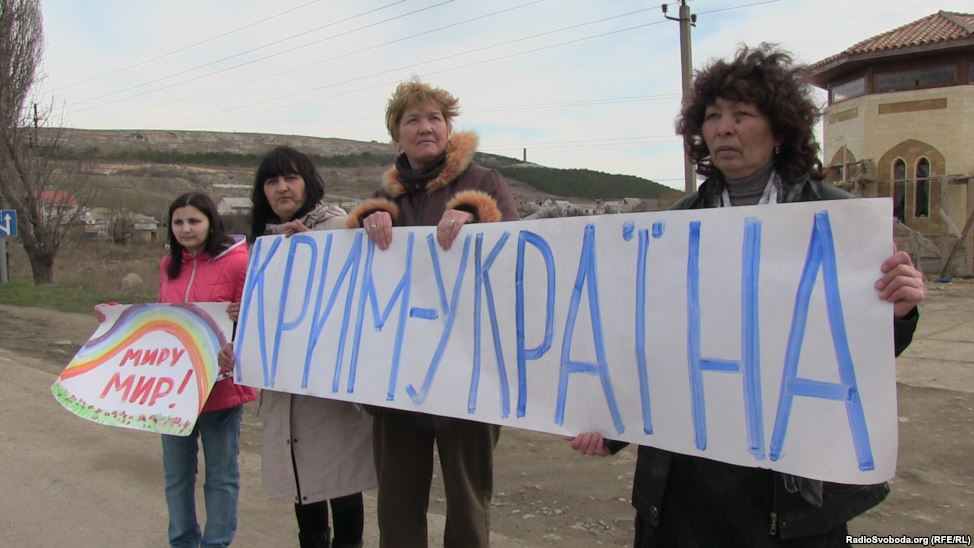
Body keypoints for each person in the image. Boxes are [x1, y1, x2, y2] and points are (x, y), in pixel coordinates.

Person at [570, 44, 926, 547]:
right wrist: (610, 423)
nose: (724, 128)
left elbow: (859, 351)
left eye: (742, 115)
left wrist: (900, 309)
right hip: (685, 478)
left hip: (790, 487)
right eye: (713, 116)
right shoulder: (671, 227)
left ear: (779, 130)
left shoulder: (839, 220)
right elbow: (647, 341)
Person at [346, 77, 519, 548]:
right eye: (413, 119)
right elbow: (360, 280)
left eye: (436, 118)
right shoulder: (391, 199)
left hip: (468, 370)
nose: (426, 127)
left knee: (467, 504)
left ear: (449, 127)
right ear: (396, 133)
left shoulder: (484, 182)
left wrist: (480, 218)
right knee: (398, 508)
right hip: (398, 378)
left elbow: (516, 257)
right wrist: (365, 223)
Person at [219, 146, 375, 548]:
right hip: (286, 384)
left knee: (339, 479)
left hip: (331, 387)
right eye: (271, 181)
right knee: (301, 479)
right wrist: (247, 318)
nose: (282, 188)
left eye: (290, 178)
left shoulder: (340, 227)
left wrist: (321, 254)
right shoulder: (264, 241)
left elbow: (364, 296)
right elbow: (275, 312)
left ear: (308, 181)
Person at [159, 191, 256, 547]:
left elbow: (256, 320)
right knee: (177, 476)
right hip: (176, 391)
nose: (186, 229)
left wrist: (242, 315)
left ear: (211, 222)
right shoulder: (168, 265)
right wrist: (120, 322)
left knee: (221, 475)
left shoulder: (239, 263)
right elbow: (160, 320)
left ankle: (216, 542)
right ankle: (182, 540)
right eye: (179, 222)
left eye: (194, 221)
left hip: (221, 389)